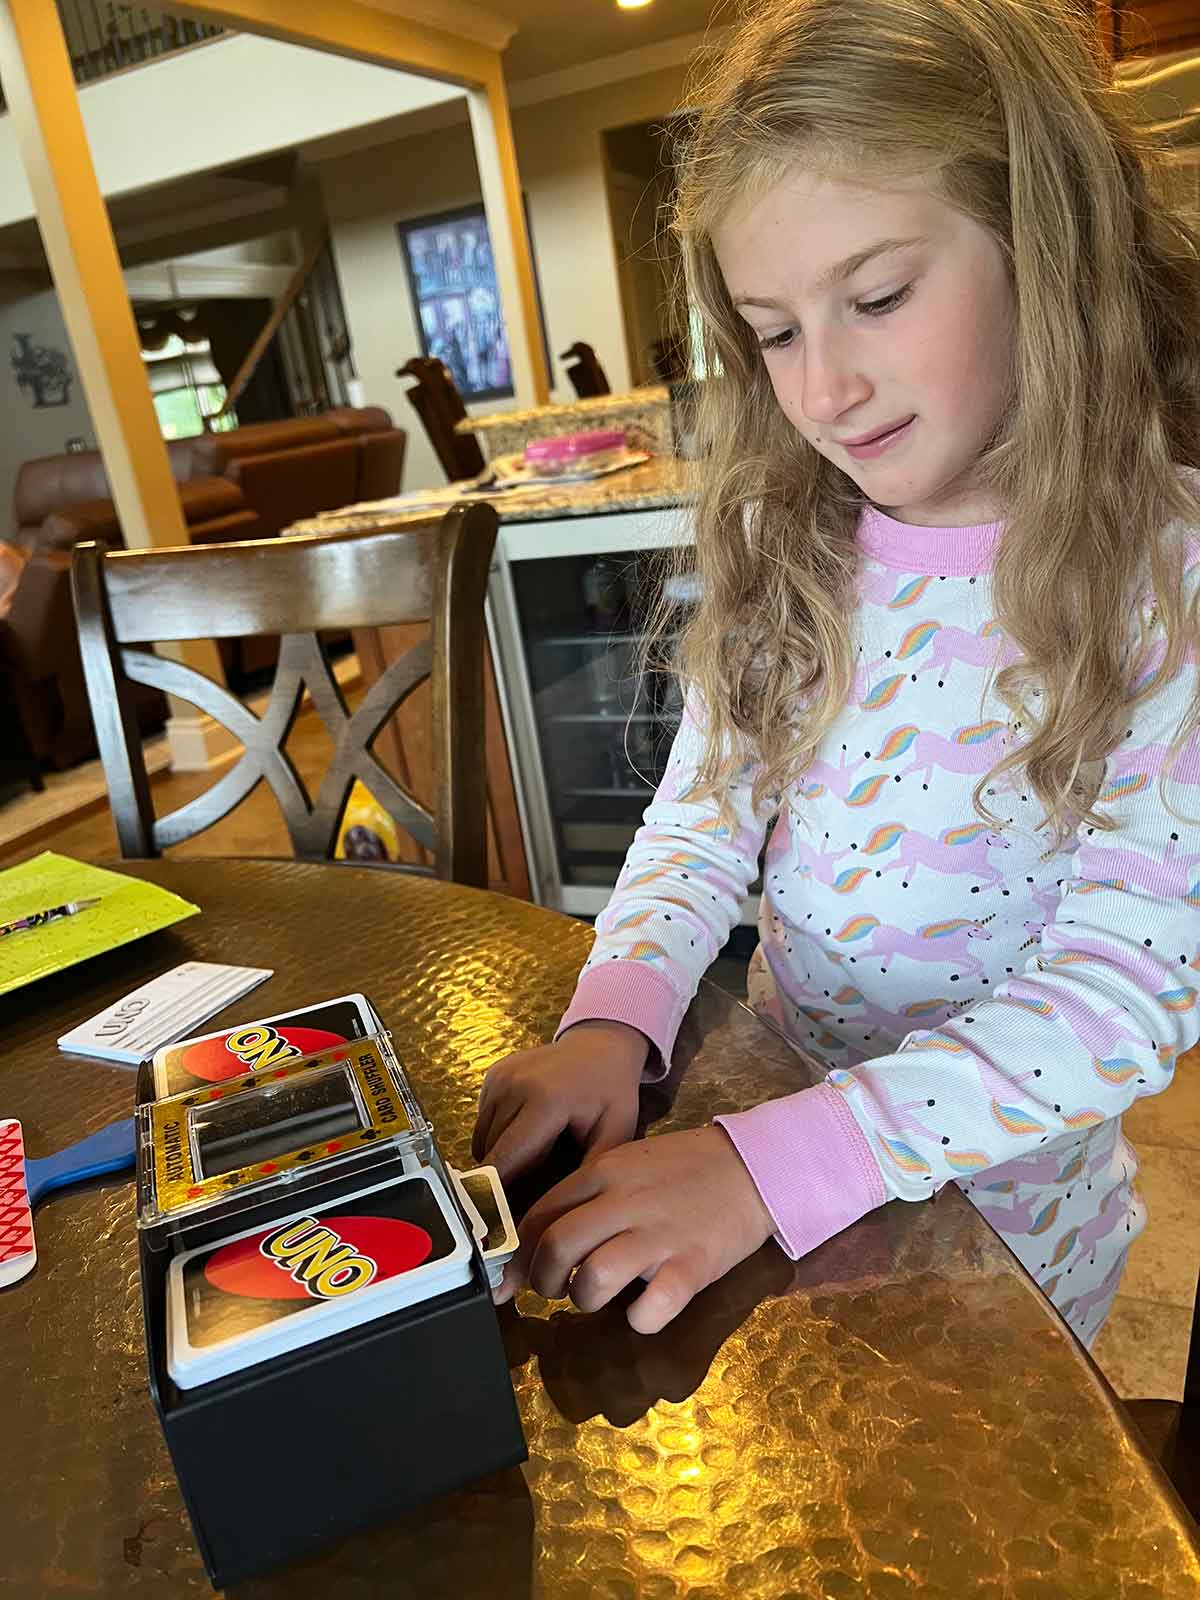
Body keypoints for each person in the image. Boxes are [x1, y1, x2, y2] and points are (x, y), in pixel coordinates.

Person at [473, 0, 1200, 1344]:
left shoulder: (1168, 577)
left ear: (1048, 247)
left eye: (875, 298)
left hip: (1006, 1263)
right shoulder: (786, 544)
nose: (824, 390)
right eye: (775, 329)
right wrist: (612, 1024)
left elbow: (1120, 992)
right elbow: (700, 824)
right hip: (768, 1198)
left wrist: (769, 1165)